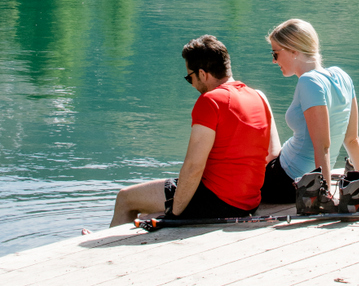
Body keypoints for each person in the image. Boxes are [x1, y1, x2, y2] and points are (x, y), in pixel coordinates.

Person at [110, 35, 280, 226]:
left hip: (216, 202)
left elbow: (193, 167)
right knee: (147, 213)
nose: (191, 84)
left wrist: (174, 214)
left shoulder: (211, 101)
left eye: (189, 77)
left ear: (203, 74)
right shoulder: (258, 97)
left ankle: (105, 243)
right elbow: (272, 154)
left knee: (125, 199)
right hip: (249, 202)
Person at [260, 18, 359, 204]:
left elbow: (322, 146)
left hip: (287, 181)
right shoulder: (343, 77)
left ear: (293, 51)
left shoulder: (309, 82)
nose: (273, 60)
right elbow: (351, 140)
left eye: (275, 53)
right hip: (293, 171)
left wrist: (324, 198)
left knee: (259, 98)